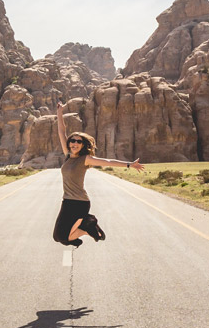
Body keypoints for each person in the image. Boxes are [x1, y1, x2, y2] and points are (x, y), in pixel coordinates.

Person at [53, 101, 146, 246]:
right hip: (67, 201)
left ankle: (88, 226)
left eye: (78, 141)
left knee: (63, 237)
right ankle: (87, 228)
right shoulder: (67, 156)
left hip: (79, 203)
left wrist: (129, 164)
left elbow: (107, 162)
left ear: (83, 145)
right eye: (72, 141)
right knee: (57, 237)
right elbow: (61, 131)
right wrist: (59, 112)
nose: (74, 143)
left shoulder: (85, 159)